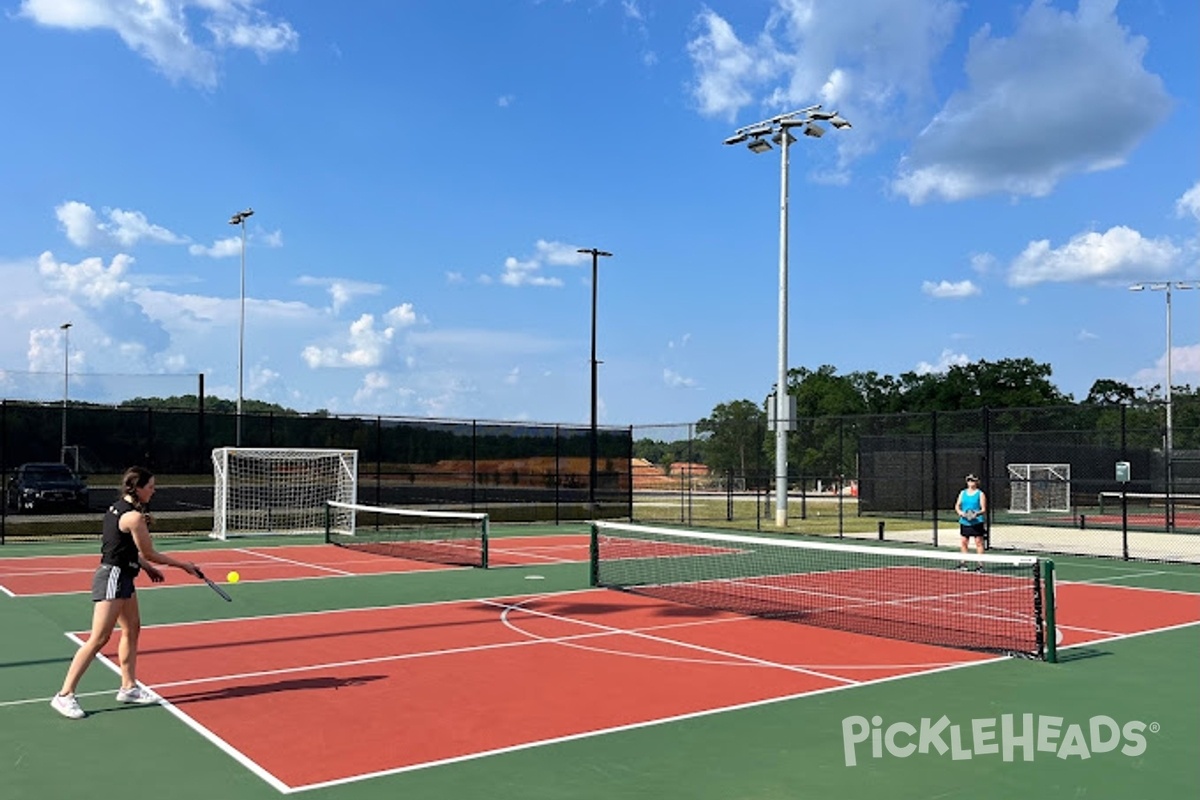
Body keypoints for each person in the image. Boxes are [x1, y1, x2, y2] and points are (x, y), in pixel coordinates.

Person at [50, 466, 201, 719]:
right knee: (99, 638)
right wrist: (184, 565)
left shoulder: (118, 508)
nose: (154, 491)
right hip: (113, 577)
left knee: (132, 629)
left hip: (124, 575)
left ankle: (128, 687)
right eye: (150, 487)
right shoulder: (133, 517)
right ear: (137, 488)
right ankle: (65, 695)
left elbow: (124, 548)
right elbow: (148, 551)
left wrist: (146, 567)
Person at [955, 473, 987, 570]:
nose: (970, 482)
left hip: (977, 522)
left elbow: (983, 509)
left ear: (977, 482)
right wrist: (960, 513)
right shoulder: (962, 493)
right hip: (965, 522)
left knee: (979, 543)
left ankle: (980, 565)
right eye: (969, 480)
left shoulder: (980, 494)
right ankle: (963, 564)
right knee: (964, 542)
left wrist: (975, 514)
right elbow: (957, 505)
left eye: (972, 480)